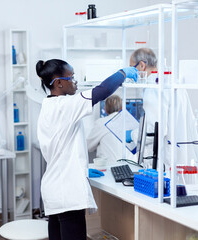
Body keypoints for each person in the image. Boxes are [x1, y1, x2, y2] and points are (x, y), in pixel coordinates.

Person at [36, 59, 137, 240]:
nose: (75, 81)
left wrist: (81, 167)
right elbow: (103, 91)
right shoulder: (65, 106)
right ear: (58, 83)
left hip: (54, 189)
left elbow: (62, 148)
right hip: (67, 192)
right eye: (71, 77)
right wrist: (123, 73)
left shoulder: (49, 106)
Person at [127, 48, 198, 169]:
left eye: (131, 68)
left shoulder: (153, 88)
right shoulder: (172, 81)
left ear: (142, 65)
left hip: (165, 160)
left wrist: (132, 135)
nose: (130, 73)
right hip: (181, 154)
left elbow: (155, 130)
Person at [87, 94, 136, 164]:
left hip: (110, 167)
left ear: (105, 109)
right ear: (122, 108)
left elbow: (89, 147)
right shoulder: (131, 122)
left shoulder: (101, 123)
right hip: (132, 166)